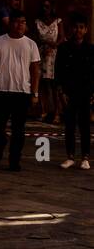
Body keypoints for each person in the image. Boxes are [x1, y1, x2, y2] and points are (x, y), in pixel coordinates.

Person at [0, 10, 41, 171]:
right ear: (10, 23)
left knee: (19, 129)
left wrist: (35, 93)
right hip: (2, 90)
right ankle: (0, 144)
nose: (20, 25)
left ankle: (14, 159)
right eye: (17, 22)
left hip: (22, 92)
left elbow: (35, 70)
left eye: (23, 22)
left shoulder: (31, 44)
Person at [55, 10, 93, 170]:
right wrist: (60, 91)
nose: (78, 30)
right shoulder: (63, 48)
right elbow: (58, 71)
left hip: (85, 92)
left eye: (81, 27)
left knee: (85, 125)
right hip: (69, 93)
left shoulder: (91, 50)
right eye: (75, 27)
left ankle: (85, 157)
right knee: (69, 125)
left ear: (86, 30)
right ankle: (69, 156)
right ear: (71, 28)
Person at [33, 0, 64, 123]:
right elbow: (34, 38)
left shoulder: (58, 21)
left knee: (54, 85)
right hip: (41, 53)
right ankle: (43, 111)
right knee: (41, 84)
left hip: (54, 54)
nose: (45, 9)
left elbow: (62, 37)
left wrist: (54, 45)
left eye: (47, 6)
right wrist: (44, 43)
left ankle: (57, 113)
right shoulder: (37, 22)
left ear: (52, 7)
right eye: (43, 6)